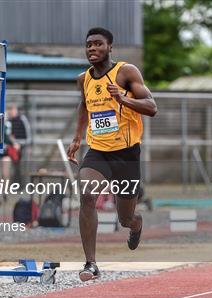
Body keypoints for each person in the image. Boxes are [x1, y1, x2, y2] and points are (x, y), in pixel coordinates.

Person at [66, 27, 157, 281]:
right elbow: (84, 105)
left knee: (125, 217)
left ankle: (135, 224)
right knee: (86, 194)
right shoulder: (83, 79)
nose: (92, 49)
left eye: (98, 44)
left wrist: (123, 99)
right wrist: (76, 138)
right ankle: (90, 264)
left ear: (110, 47)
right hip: (98, 151)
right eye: (88, 45)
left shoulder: (126, 72)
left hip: (126, 154)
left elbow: (152, 107)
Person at [8, 104, 32, 184]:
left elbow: (28, 136)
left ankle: (23, 184)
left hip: (23, 146)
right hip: (12, 146)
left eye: (13, 110)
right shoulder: (9, 121)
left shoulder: (22, 119)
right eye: (11, 110)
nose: (12, 112)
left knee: (22, 167)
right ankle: (15, 183)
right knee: (14, 166)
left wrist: (22, 144)